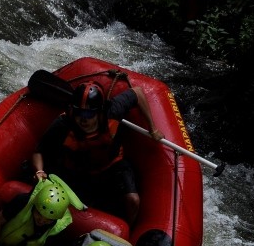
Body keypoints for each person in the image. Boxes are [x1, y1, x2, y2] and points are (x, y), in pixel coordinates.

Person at [31, 81, 164, 226]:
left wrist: (153, 128)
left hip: (112, 165)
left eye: (89, 113)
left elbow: (137, 92)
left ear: (99, 111)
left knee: (133, 200)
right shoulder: (63, 124)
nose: (83, 119)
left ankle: (126, 230)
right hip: (76, 172)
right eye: (79, 112)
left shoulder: (113, 110)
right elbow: (39, 151)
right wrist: (39, 170)